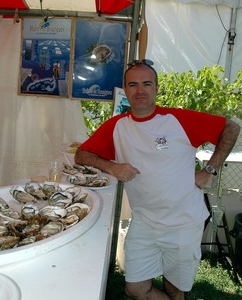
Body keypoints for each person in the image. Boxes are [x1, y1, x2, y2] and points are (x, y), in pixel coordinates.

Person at [74, 59, 240, 300]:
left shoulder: (178, 119)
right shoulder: (117, 127)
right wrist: (111, 166)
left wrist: (210, 170)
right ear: (125, 89)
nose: (140, 90)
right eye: (133, 85)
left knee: (174, 289)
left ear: (156, 88)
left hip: (182, 223)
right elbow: (81, 154)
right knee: (135, 289)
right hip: (144, 222)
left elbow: (231, 128)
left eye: (146, 84)